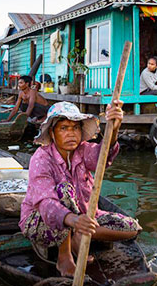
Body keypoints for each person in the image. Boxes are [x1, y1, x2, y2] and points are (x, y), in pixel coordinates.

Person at [19, 101, 141, 276]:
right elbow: (46, 204)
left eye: (75, 128)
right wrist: (73, 220)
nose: (71, 134)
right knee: (64, 190)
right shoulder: (41, 159)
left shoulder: (83, 150)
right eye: (64, 128)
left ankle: (80, 235)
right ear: (52, 133)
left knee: (132, 228)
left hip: (83, 214)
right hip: (40, 220)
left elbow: (103, 157)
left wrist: (113, 128)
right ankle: (64, 256)